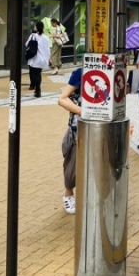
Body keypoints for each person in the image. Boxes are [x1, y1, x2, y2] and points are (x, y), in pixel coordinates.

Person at [58, 67, 82, 215]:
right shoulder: (81, 73)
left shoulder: (114, 69)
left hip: (104, 126)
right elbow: (62, 99)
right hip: (78, 128)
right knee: (73, 164)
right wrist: (80, 110)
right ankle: (68, 193)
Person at [26, 21, 50, 98]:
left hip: (34, 58)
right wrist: (48, 59)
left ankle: (37, 89)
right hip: (42, 59)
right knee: (38, 74)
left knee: (34, 74)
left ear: (36, 27)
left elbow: (27, 44)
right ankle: (38, 88)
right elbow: (47, 49)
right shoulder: (46, 38)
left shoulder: (33, 36)